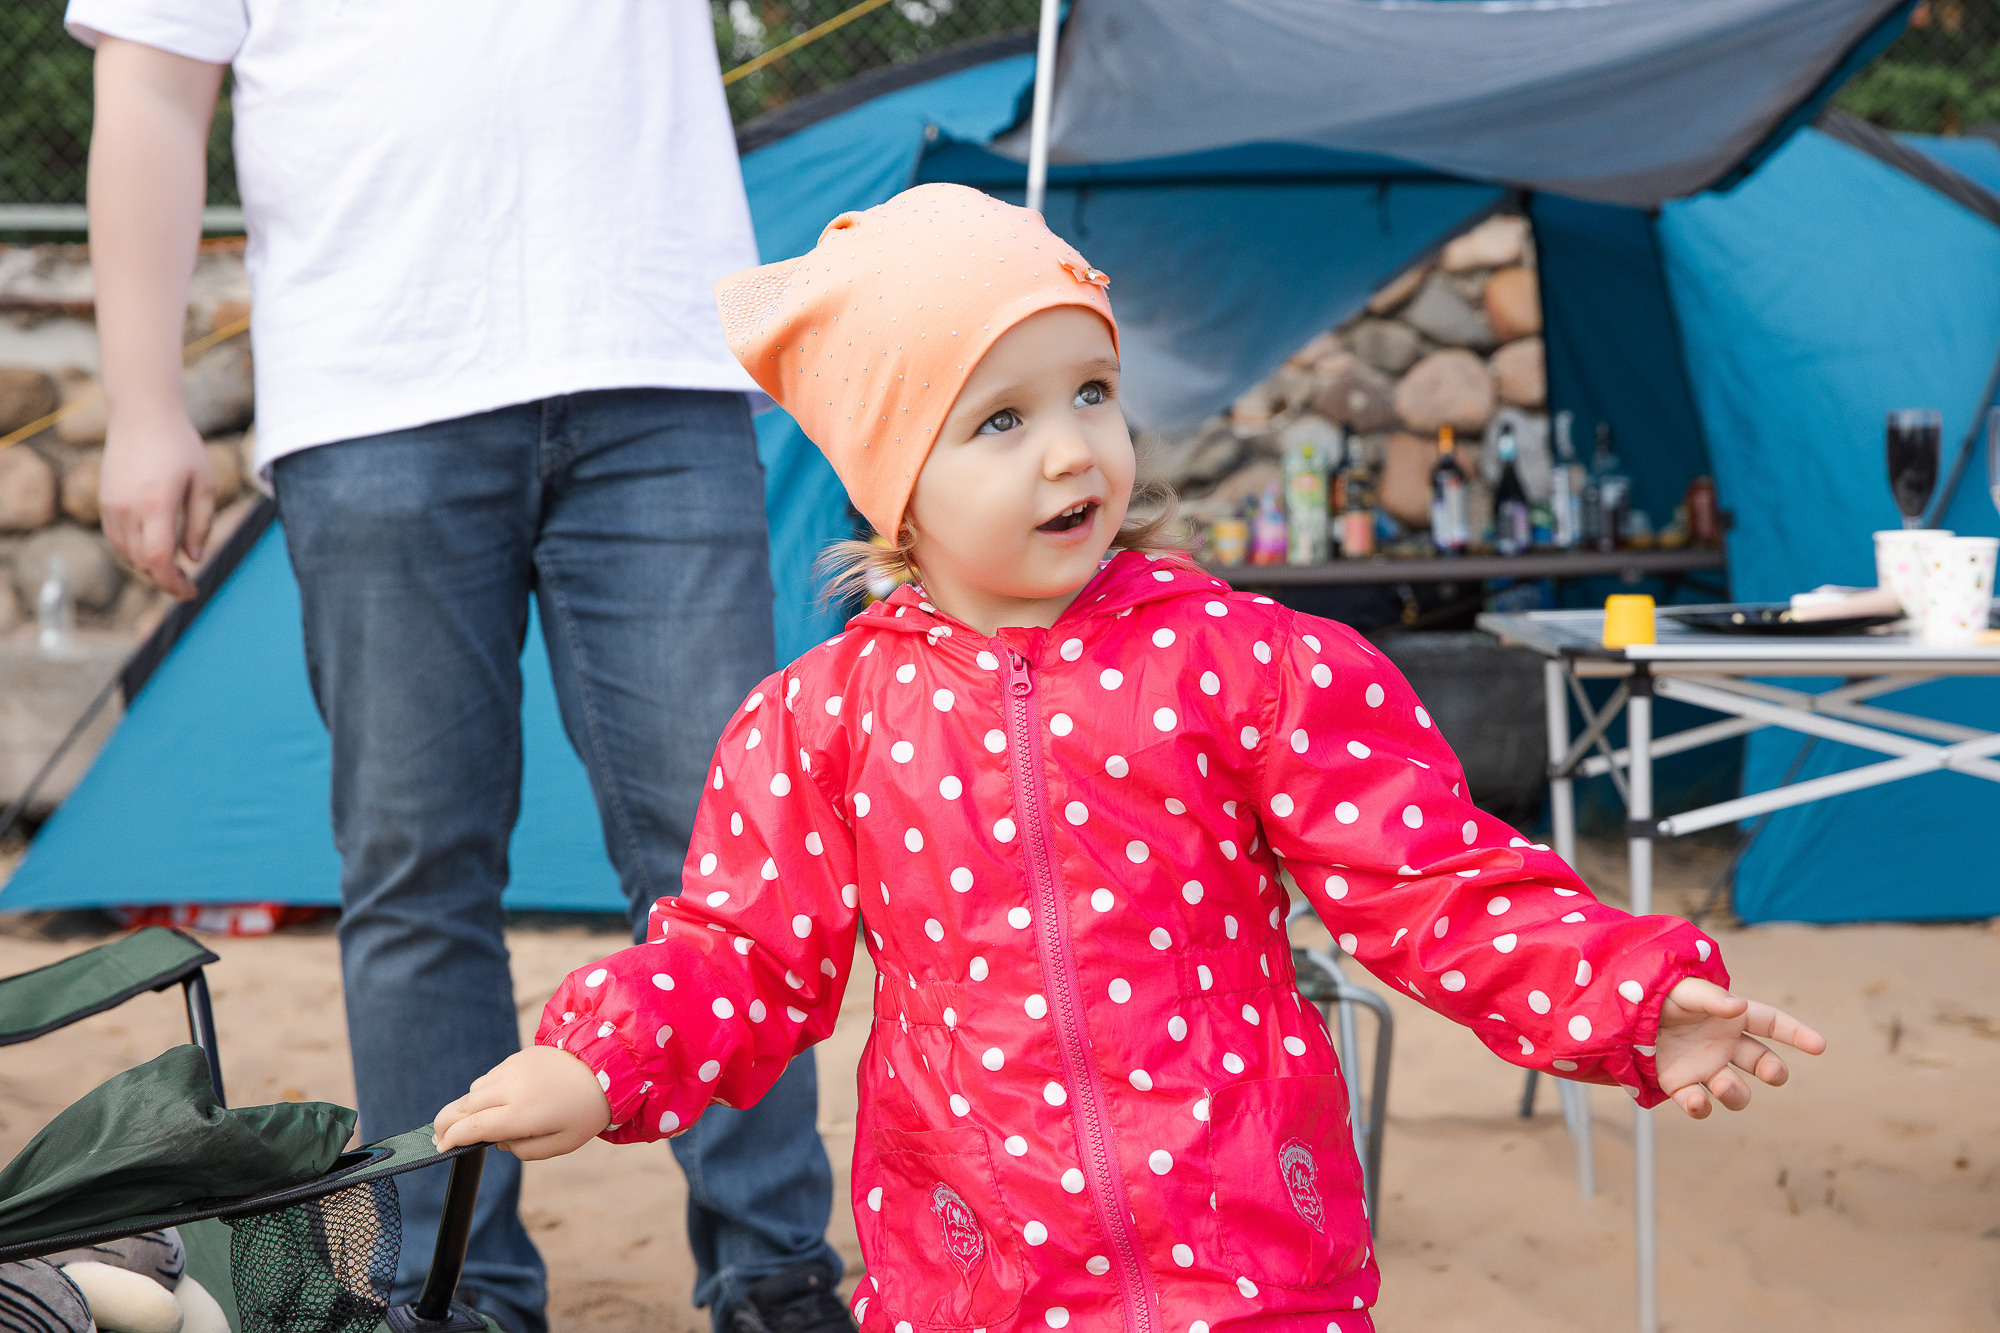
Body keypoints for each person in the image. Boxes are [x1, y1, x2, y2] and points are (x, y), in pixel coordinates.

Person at [432, 184, 1827, 1331]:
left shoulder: (1240, 663)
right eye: (1001, 419)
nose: (1070, 452)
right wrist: (603, 1061)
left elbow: (1433, 879)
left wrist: (1631, 995)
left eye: (1091, 391)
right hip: (978, 1281)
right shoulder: (824, 720)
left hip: (1257, 1271)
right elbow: (743, 952)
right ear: (891, 479)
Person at [72, 7, 853, 1332]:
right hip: (375, 384)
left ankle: (777, 1278)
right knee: (414, 868)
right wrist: (144, 401)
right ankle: (453, 1294)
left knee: (725, 868)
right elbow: (150, 87)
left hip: (659, 354)